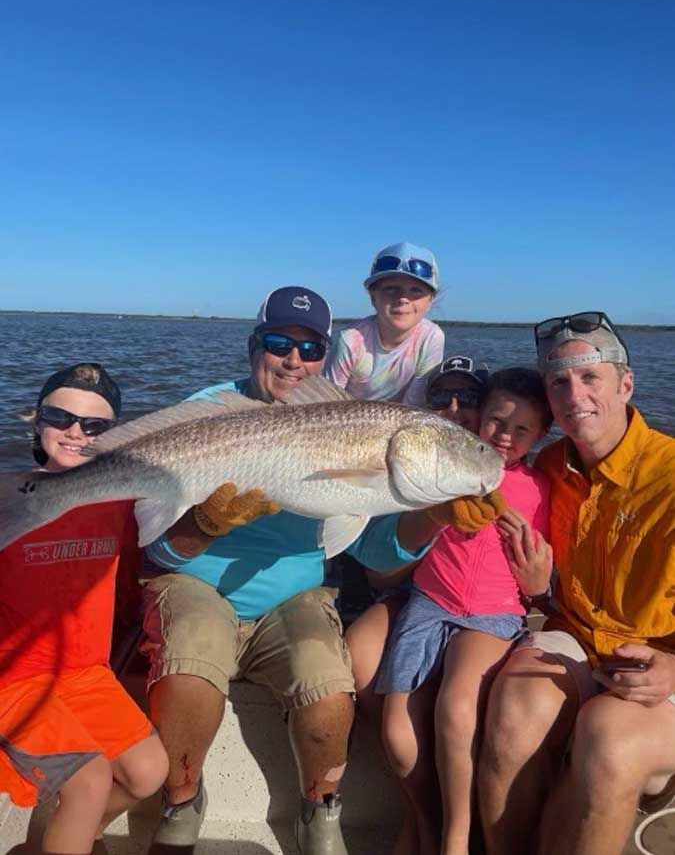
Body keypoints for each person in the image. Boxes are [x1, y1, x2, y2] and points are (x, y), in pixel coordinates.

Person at [140, 286, 475, 855]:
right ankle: (181, 800)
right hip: (196, 582)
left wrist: (436, 517)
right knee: (188, 670)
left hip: (294, 596)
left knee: (326, 689)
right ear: (254, 346)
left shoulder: (346, 423)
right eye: (278, 343)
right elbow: (158, 554)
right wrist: (203, 525)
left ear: (325, 357)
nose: (294, 361)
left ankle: (320, 811)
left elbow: (370, 551)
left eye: (310, 349)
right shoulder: (205, 413)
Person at [478, 312, 675, 855]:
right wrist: (539, 592)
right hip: (581, 637)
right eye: (559, 381)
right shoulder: (551, 466)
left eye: (590, 377)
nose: (574, 394)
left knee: (608, 738)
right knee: (516, 707)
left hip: (660, 661)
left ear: (626, 385)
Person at [376, 368, 552, 855]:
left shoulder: (540, 487)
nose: (504, 436)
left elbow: (545, 564)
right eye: (496, 420)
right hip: (429, 605)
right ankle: (424, 820)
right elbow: (396, 540)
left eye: (522, 430)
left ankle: (455, 840)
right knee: (397, 734)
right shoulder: (438, 473)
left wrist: (540, 583)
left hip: (493, 615)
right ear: (479, 419)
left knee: (456, 707)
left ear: (540, 436)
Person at [0, 363, 169, 855]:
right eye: (61, 417)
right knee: (90, 780)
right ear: (36, 420)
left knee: (149, 772)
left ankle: (73, 836)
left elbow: (147, 571)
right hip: (13, 678)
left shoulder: (124, 502)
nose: (76, 432)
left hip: (86, 675)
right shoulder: (7, 497)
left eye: (95, 426)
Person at [326, 242, 445, 406]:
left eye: (415, 290)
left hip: (399, 423)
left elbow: (414, 406)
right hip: (346, 422)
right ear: (373, 296)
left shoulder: (431, 337)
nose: (403, 299)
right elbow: (327, 404)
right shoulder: (350, 340)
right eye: (391, 288)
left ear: (430, 300)